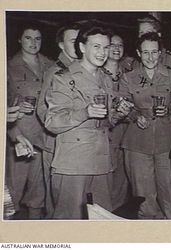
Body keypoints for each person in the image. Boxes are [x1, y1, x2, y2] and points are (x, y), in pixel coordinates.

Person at [45, 23, 130, 219]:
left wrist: (118, 113)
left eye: (106, 47)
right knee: (70, 224)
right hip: (74, 164)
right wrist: (85, 112)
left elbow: (104, 123)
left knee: (101, 222)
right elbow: (52, 122)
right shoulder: (64, 78)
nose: (103, 53)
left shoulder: (105, 79)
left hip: (101, 162)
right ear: (82, 47)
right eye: (96, 46)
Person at [121, 32, 171, 219]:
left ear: (160, 52)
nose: (151, 57)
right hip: (138, 142)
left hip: (166, 141)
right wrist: (135, 115)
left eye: (154, 52)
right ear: (138, 53)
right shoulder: (128, 77)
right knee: (144, 196)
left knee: (169, 192)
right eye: (146, 53)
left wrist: (169, 111)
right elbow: (121, 105)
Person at [7, 23, 53, 219]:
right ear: (19, 39)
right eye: (28, 38)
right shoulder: (8, 66)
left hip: (43, 134)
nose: (33, 43)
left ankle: (34, 230)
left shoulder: (50, 65)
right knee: (12, 188)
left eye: (38, 38)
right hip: (18, 133)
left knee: (38, 190)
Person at [37, 22, 80, 218]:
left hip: (78, 144)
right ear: (61, 45)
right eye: (73, 41)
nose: (78, 44)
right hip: (56, 144)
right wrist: (64, 125)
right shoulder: (55, 72)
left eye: (81, 40)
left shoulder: (83, 69)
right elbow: (42, 109)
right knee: (57, 202)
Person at [103, 33, 131, 210]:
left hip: (126, 130)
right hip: (106, 130)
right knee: (106, 174)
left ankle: (117, 213)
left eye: (120, 45)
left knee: (122, 174)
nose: (116, 48)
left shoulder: (128, 73)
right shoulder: (97, 72)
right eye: (112, 45)